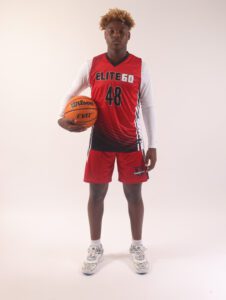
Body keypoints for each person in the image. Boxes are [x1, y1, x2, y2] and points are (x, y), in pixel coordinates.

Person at [58, 8, 157, 275]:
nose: (116, 36)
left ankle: (137, 246)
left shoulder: (140, 67)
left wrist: (153, 145)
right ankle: (95, 246)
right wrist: (61, 118)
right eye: (111, 31)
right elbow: (70, 94)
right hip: (100, 141)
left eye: (121, 32)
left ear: (129, 35)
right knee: (96, 194)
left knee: (134, 195)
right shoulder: (91, 65)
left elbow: (148, 108)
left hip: (130, 143)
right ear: (105, 34)